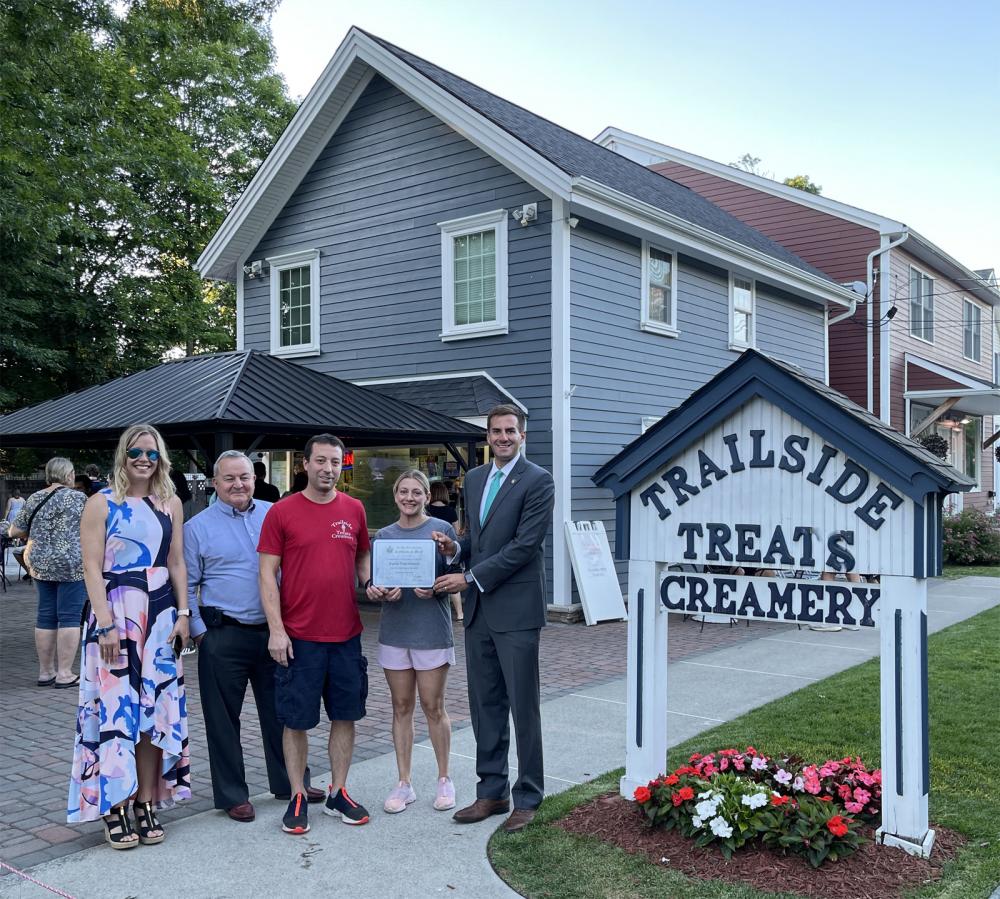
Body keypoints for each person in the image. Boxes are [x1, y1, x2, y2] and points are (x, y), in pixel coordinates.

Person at [432, 404, 555, 834]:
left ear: (522, 435)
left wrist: (467, 577)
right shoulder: (475, 478)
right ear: (487, 436)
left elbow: (524, 547)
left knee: (523, 707)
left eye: (509, 431)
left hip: (517, 611)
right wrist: (457, 550)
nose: (502, 437)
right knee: (485, 706)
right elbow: (477, 537)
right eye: (495, 431)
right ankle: (492, 792)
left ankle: (528, 796)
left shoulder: (539, 481)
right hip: (481, 613)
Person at [68, 424, 191, 849]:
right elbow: (90, 566)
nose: (143, 459)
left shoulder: (170, 503)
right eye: (136, 452)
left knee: (152, 713)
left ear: (161, 459)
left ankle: (145, 799)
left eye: (152, 454)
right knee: (114, 712)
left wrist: (183, 614)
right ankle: (113, 805)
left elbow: (176, 564)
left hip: (159, 619)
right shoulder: (101, 503)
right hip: (115, 616)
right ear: (123, 455)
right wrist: (104, 623)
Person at [184, 451, 323, 823]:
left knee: (284, 712)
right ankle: (233, 794)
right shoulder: (196, 528)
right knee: (222, 719)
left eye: (244, 477)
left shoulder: (274, 513)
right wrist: (200, 634)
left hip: (275, 632)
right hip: (223, 635)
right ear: (215, 483)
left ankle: (290, 782)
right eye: (229, 479)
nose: (238, 485)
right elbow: (188, 585)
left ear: (254, 478)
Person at [258, 434, 372, 835]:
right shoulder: (282, 512)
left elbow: (362, 554)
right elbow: (266, 574)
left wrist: (370, 581)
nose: (328, 469)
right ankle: (298, 794)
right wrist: (277, 630)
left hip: (346, 635)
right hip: (300, 637)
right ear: (304, 464)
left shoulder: (354, 509)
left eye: (336, 462)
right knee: (296, 720)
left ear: (343, 466)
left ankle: (339, 791)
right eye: (321, 461)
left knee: (345, 715)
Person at [367, 470, 459, 815]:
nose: (409, 497)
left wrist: (436, 586)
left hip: (431, 630)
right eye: (403, 492)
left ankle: (444, 778)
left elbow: (455, 573)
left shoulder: (441, 531)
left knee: (434, 707)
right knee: (401, 707)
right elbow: (377, 583)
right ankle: (404, 782)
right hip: (395, 630)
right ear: (395, 496)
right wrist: (377, 591)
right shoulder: (385, 536)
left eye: (416, 492)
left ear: (426, 495)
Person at [10, 459, 88, 688]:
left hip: (40, 562)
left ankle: (46, 672)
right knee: (70, 616)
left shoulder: (34, 497)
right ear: (69, 474)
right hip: (71, 563)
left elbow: (15, 529)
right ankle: (64, 673)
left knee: (45, 614)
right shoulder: (79, 498)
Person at [427, 481, 462, 621]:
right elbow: (457, 531)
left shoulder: (427, 510)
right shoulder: (450, 511)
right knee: (451, 580)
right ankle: (460, 613)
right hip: (448, 549)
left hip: (431, 550)